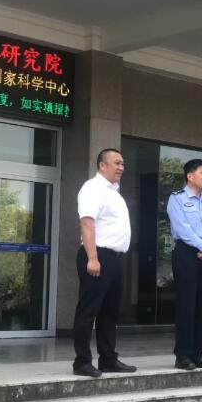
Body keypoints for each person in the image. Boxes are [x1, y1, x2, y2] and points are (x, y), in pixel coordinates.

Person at [73, 148, 137, 377]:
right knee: (88, 310)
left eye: (123, 164)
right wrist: (92, 257)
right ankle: (82, 362)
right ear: (102, 165)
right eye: (117, 163)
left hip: (114, 259)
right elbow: (87, 223)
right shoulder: (93, 188)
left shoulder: (115, 193)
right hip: (97, 255)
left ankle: (108, 359)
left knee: (110, 312)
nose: (121, 167)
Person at [167, 159, 202, 371]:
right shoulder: (177, 199)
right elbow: (181, 228)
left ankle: (198, 354)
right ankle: (183, 355)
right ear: (190, 176)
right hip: (186, 253)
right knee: (186, 305)